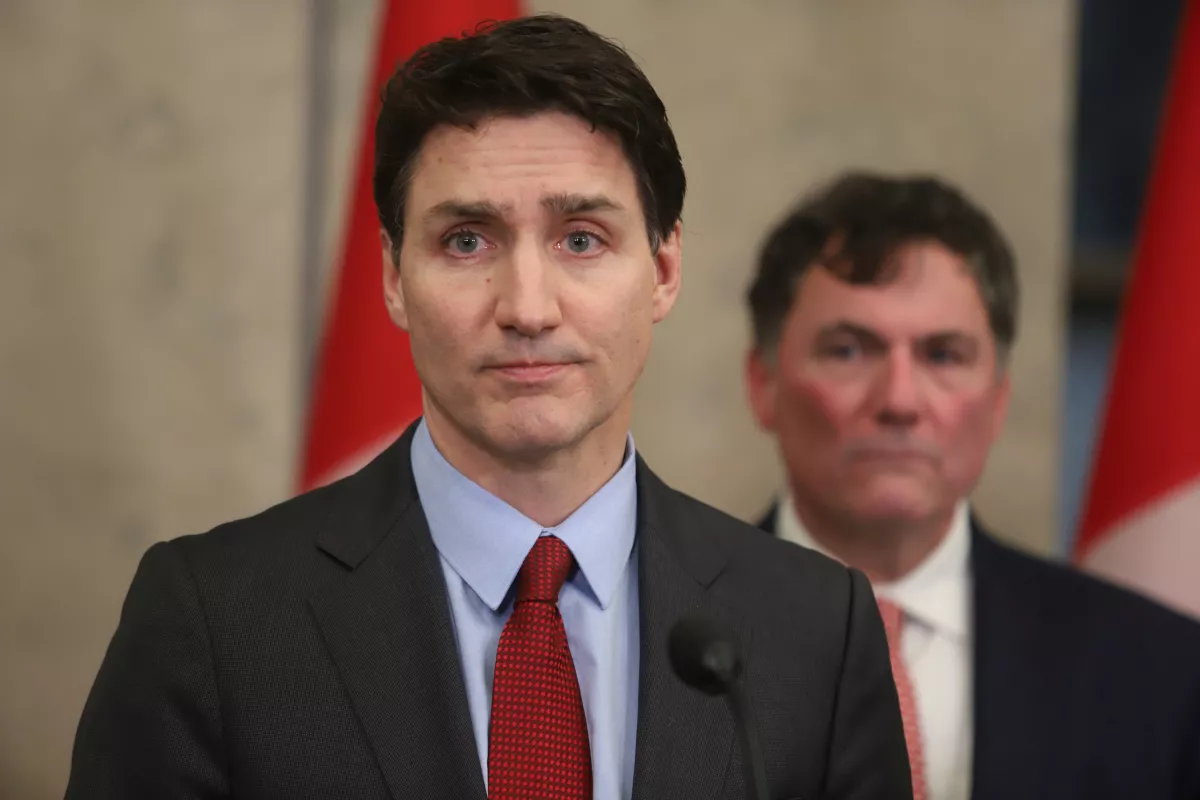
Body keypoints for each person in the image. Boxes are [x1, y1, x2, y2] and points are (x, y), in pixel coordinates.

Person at [65, 17, 912, 800]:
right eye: (467, 241)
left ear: (663, 270)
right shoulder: (215, 619)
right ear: (395, 278)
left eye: (581, 238)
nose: (528, 308)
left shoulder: (816, 629)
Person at [745, 170, 1200, 800]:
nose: (899, 400)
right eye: (849, 350)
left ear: (998, 401)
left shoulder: (1160, 672)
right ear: (762, 382)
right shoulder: (647, 639)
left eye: (943, 356)